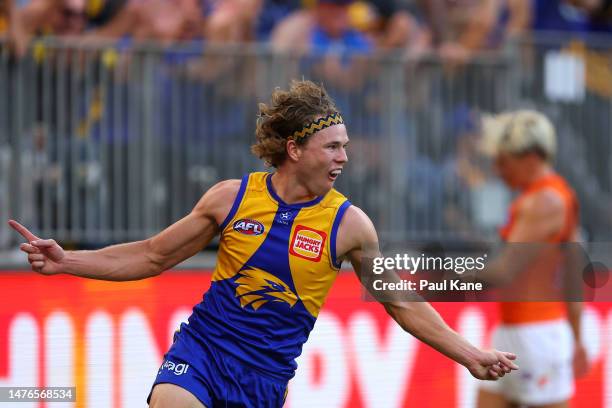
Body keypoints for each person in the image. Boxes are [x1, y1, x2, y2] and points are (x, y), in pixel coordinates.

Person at [9, 80, 518, 408]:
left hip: (265, 379)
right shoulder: (230, 199)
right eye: (333, 147)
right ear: (294, 148)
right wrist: (67, 259)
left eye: (346, 147)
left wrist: (469, 354)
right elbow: (152, 255)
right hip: (202, 351)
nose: (344, 158)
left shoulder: (350, 226)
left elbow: (400, 302)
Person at [477, 110, 589, 408]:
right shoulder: (552, 197)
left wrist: (441, 274)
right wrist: (577, 337)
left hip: (536, 336)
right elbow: (574, 272)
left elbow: (504, 271)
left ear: (530, 158)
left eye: (503, 161)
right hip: (516, 331)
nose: (498, 170)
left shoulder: (546, 200)